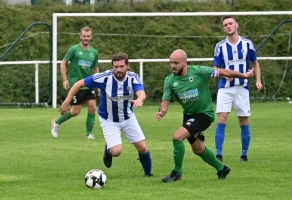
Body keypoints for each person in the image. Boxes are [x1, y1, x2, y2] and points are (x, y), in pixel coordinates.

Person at [156, 49, 254, 182]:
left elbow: (224, 71)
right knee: (198, 149)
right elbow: (165, 101)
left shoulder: (199, 71)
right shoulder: (169, 80)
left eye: (176, 63)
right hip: (189, 116)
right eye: (171, 63)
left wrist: (244, 76)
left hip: (204, 115)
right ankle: (222, 169)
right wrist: (162, 111)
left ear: (185, 62)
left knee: (177, 137)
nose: (173, 66)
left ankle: (176, 173)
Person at [59, 53, 153, 177]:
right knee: (116, 151)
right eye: (116, 67)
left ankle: (148, 175)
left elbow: (141, 93)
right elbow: (78, 84)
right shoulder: (104, 77)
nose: (118, 70)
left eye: (121, 66)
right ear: (112, 66)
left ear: (127, 65)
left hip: (128, 117)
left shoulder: (133, 78)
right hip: (109, 120)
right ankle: (108, 151)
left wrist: (140, 99)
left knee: (142, 148)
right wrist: (67, 101)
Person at [214, 16, 263, 162]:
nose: (228, 26)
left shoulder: (247, 44)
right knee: (222, 118)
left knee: (243, 120)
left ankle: (244, 155)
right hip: (225, 88)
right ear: (224, 28)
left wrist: (257, 80)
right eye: (225, 25)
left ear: (237, 25)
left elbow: (255, 63)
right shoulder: (220, 46)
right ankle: (218, 154)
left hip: (242, 88)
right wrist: (224, 75)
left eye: (230, 23)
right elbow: (216, 68)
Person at [51, 26, 100, 139]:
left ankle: (88, 134)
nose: (86, 38)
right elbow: (63, 63)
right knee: (75, 111)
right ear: (80, 36)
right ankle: (57, 122)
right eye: (84, 36)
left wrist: (99, 85)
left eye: (88, 36)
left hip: (89, 83)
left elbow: (95, 69)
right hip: (76, 85)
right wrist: (65, 79)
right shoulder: (74, 49)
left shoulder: (94, 52)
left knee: (92, 107)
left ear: (91, 37)